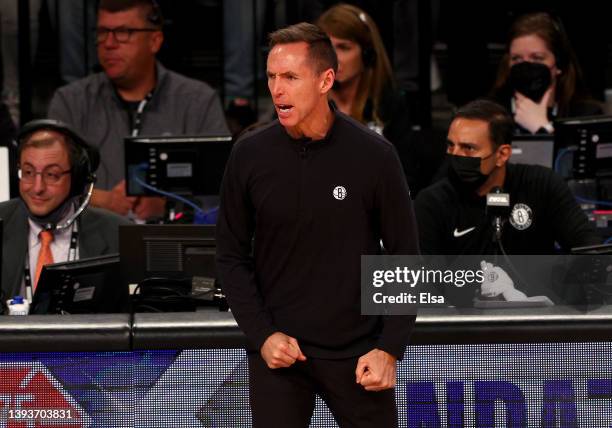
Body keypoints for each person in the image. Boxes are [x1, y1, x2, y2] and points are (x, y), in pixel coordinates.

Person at [216, 22, 418, 427]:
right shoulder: (249, 155)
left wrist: (389, 349)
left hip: (358, 354)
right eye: (272, 76)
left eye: (291, 77)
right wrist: (262, 336)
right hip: (281, 353)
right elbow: (230, 257)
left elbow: (404, 258)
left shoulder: (374, 156)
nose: (277, 89)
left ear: (326, 79)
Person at [47, 0, 229, 221]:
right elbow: (47, 184)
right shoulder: (71, 102)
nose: (109, 43)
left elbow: (221, 196)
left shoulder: (198, 101)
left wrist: (169, 208)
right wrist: (103, 201)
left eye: (124, 32)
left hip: (170, 246)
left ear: (155, 40)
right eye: (103, 32)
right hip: (93, 246)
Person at [415, 99, 600, 256]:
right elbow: (423, 283)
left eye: (468, 148)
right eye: (450, 145)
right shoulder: (432, 203)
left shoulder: (542, 185)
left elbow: (589, 250)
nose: (455, 155)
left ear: (502, 154)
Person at [316, 3, 443, 196]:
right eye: (327, 49)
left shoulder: (388, 104)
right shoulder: (304, 102)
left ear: (367, 54)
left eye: (344, 48)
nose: (334, 58)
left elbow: (405, 175)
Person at [0, 119, 129, 309]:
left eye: (52, 175)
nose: (37, 188)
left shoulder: (119, 235)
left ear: (77, 178)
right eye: (27, 172)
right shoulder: (3, 221)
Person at [489, 12, 602, 135]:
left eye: (537, 58)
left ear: (559, 64)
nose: (526, 66)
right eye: (516, 58)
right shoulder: (488, 115)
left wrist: (542, 128)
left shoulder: (586, 116)